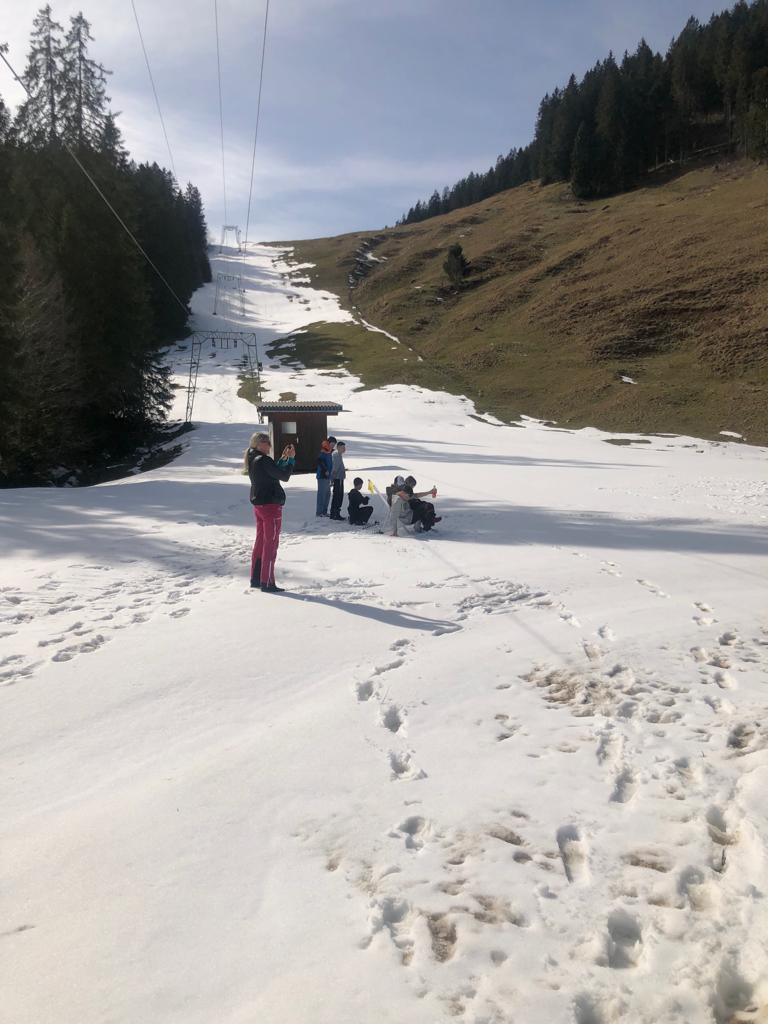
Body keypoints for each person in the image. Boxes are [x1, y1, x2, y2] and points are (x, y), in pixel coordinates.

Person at [244, 432, 295, 592]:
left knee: (261, 541)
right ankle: (267, 582)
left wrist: (283, 459)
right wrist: (291, 460)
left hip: (260, 505)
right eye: (267, 442)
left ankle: (257, 578)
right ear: (259, 444)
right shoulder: (263, 460)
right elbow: (284, 476)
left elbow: (272, 471)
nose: (270, 445)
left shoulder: (253, 458)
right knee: (270, 544)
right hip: (270, 506)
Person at [329, 440, 347, 520]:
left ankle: (335, 513)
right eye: (343, 447)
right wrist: (332, 479)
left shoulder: (338, 454)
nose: (344, 449)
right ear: (338, 447)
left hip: (339, 478)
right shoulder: (336, 455)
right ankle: (335, 514)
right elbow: (334, 469)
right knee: (338, 496)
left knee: (338, 496)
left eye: (344, 447)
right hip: (337, 478)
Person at [315, 439, 333, 516]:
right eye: (332, 443)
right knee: (322, 495)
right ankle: (319, 512)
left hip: (328, 477)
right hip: (322, 476)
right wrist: (325, 470)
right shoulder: (323, 452)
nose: (333, 445)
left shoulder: (329, 452)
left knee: (327, 495)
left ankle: (324, 511)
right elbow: (319, 461)